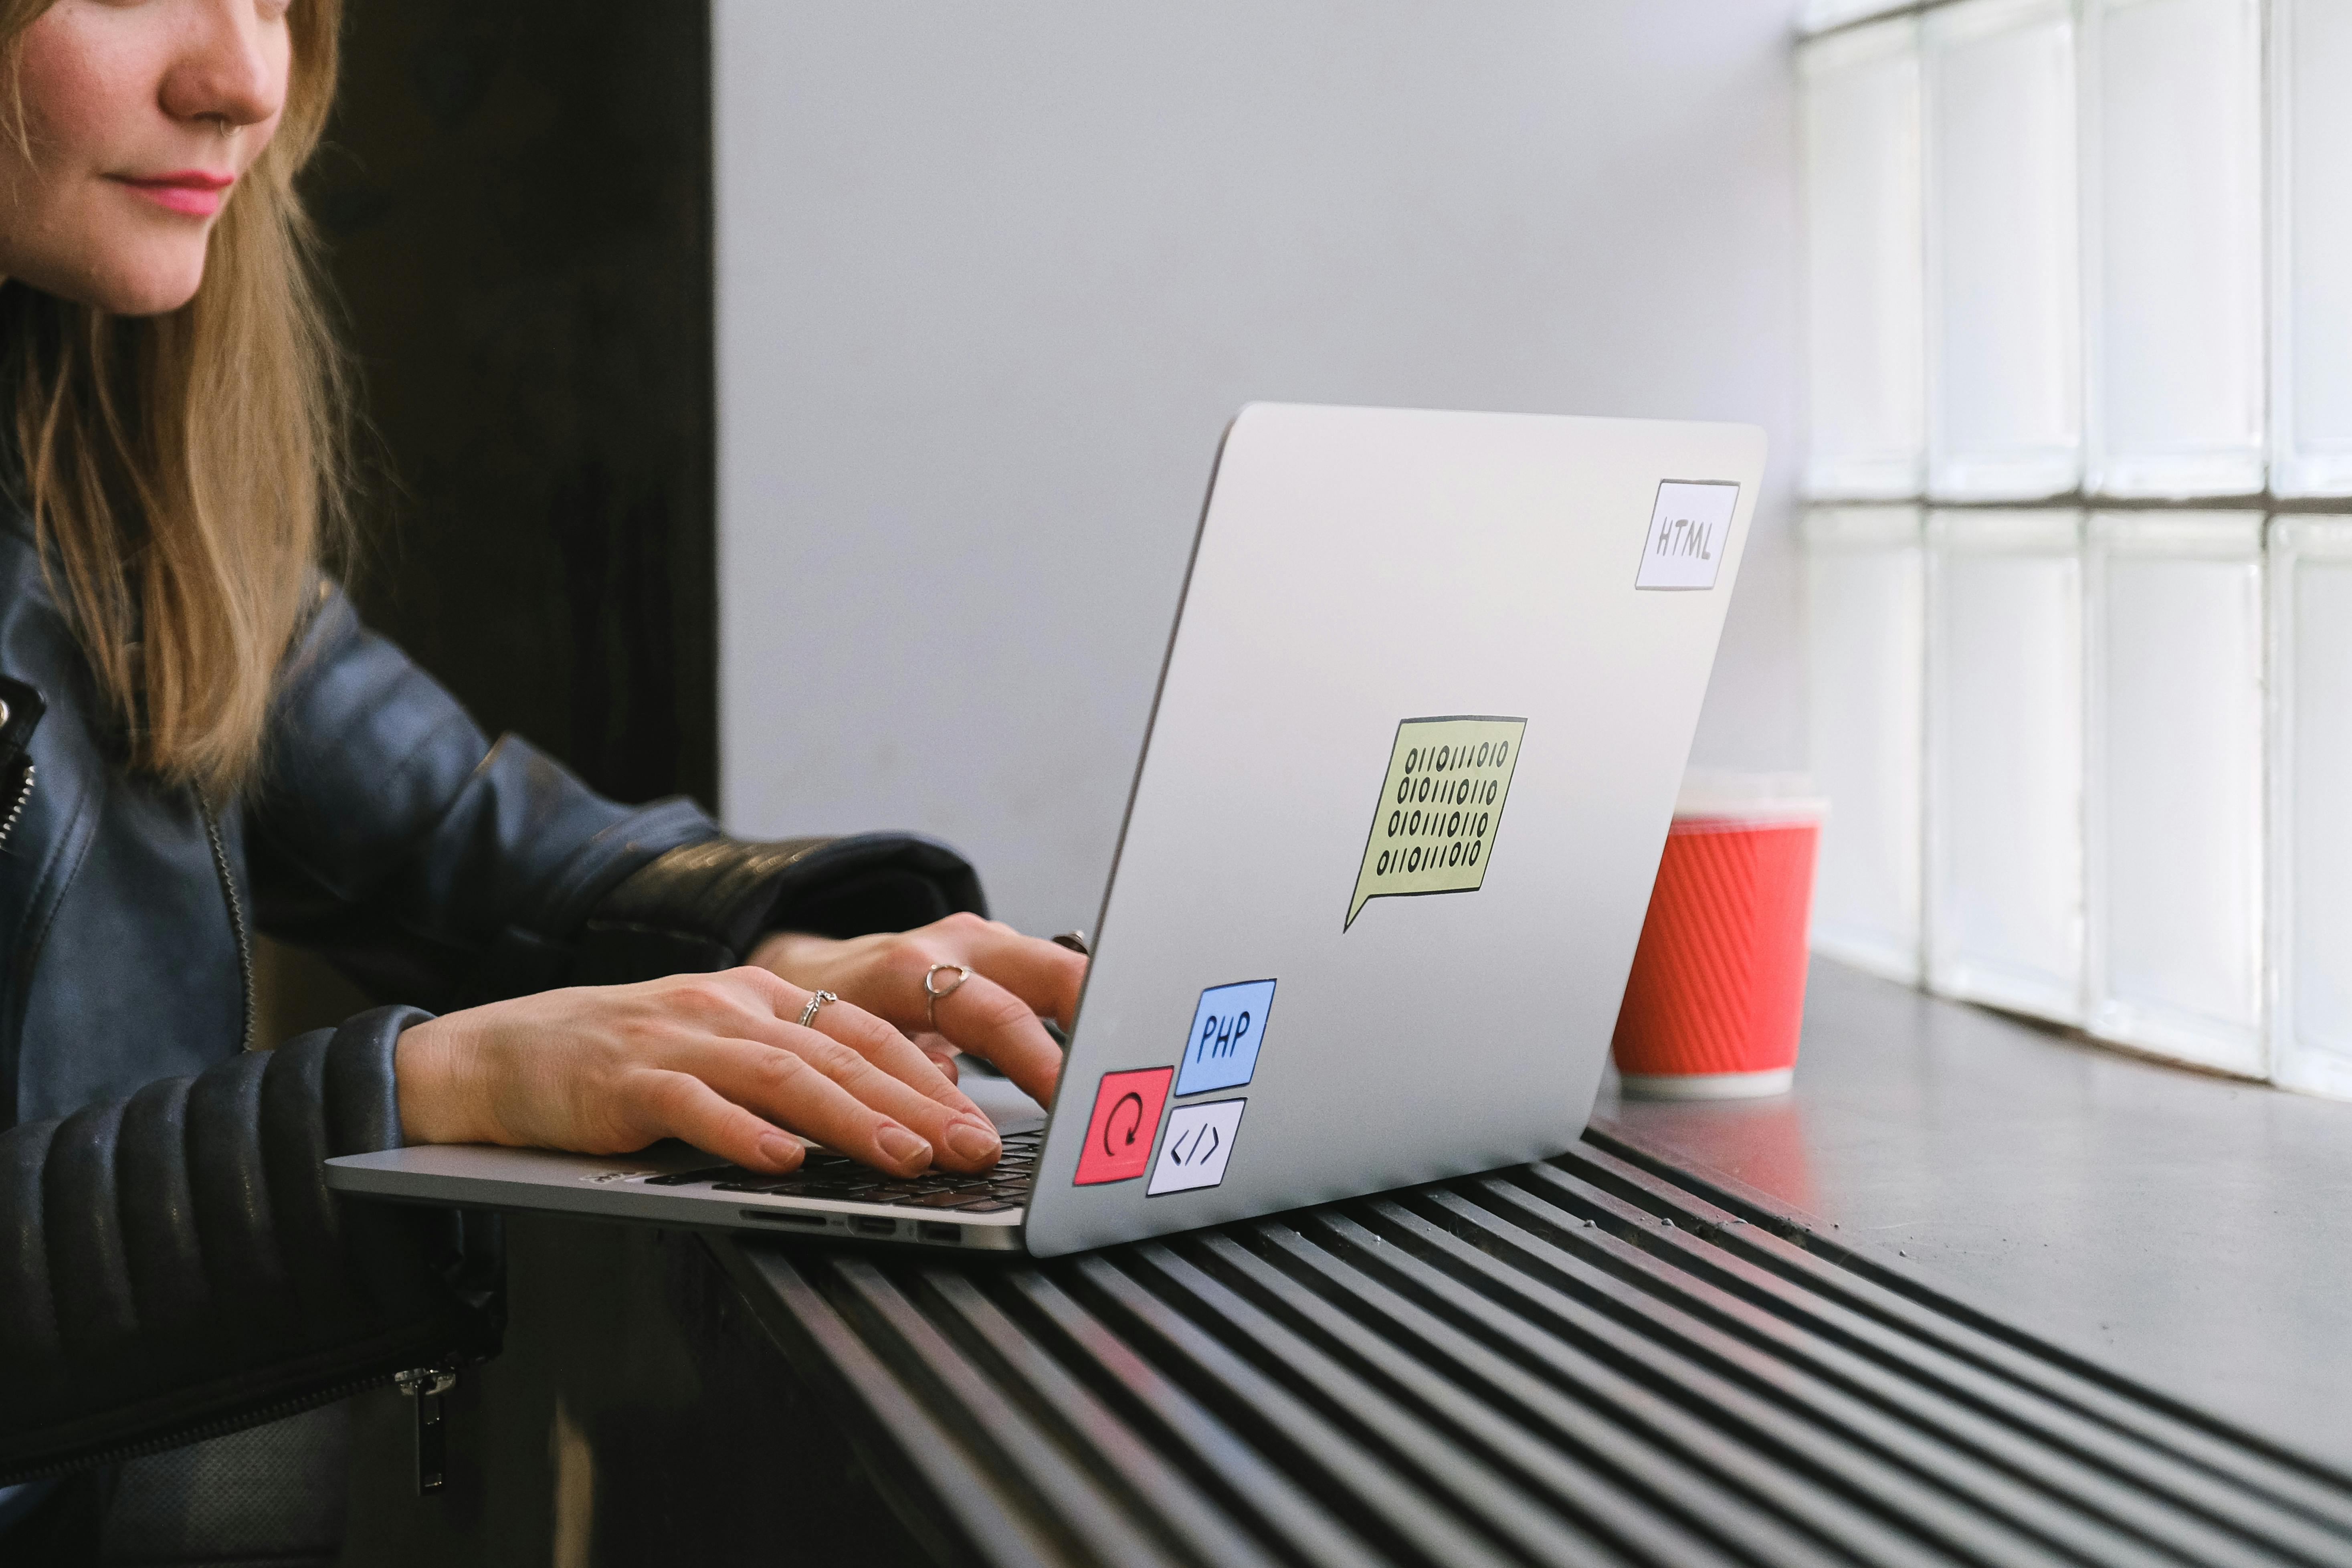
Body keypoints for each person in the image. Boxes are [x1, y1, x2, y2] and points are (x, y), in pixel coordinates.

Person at [0, 0, 1078, 1556]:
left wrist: (792, 966)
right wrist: (432, 1086)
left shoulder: (99, 451)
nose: (241, 79)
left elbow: (464, 841)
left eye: (278, 0)